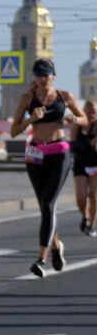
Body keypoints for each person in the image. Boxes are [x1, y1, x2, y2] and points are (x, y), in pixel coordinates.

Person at [10, 58, 87, 277]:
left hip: (59, 152)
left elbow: (84, 120)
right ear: (34, 77)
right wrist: (30, 119)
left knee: (49, 203)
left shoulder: (64, 96)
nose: (43, 79)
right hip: (35, 154)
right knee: (45, 206)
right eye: (39, 75)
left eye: (47, 75)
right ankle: (56, 246)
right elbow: (14, 130)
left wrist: (73, 119)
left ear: (54, 76)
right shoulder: (27, 98)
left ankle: (40, 259)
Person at [71, 100, 97, 235]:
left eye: (94, 112)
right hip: (80, 163)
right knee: (81, 197)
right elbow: (72, 145)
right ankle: (85, 215)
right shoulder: (78, 125)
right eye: (88, 112)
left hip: (95, 165)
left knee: (93, 196)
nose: (91, 114)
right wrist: (88, 144)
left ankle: (91, 224)